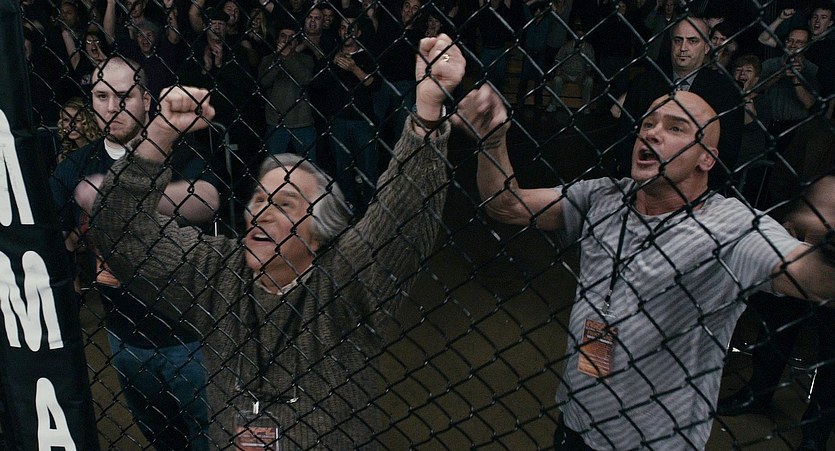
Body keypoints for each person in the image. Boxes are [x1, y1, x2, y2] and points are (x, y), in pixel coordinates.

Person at [90, 34, 484, 449]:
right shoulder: (218, 271)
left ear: (319, 233)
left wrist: (426, 114)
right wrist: (158, 137)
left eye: (285, 204)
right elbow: (120, 234)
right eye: (260, 199)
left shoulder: (344, 279)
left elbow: (400, 218)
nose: (262, 212)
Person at [472, 85, 835, 449]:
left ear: (706, 158)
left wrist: (829, 241)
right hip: (575, 424)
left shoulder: (732, 227)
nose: (652, 133)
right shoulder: (604, 196)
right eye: (648, 123)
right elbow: (506, 205)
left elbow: (814, 280)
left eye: (676, 127)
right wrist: (493, 140)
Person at [50, 56, 219, 451]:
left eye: (123, 97)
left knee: (209, 436)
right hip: (123, 333)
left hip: (187, 330)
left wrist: (115, 196)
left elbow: (207, 198)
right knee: (161, 437)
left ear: (145, 99)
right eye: (101, 96)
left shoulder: (174, 148)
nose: (112, 107)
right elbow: (52, 233)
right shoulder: (77, 165)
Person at [615, 16, 743, 191]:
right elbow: (625, 139)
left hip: (696, 190)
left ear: (707, 47)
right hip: (642, 185)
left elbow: (727, 152)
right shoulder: (644, 84)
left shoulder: (726, 92)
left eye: (692, 41)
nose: (683, 48)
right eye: (678, 40)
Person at [258, 22, 316, 158]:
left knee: (308, 165)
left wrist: (288, 57)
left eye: (291, 37)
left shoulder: (306, 59)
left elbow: (305, 79)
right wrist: (280, 58)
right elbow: (265, 81)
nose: (286, 40)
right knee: (273, 165)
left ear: (297, 42)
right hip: (276, 122)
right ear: (277, 40)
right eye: (283, 36)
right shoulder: (267, 59)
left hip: (302, 122)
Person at [546, 19, 594, 114]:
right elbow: (557, 60)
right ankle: (553, 104)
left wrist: (585, 73)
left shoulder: (588, 48)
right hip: (566, 74)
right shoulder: (567, 45)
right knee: (557, 80)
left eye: (581, 35)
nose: (579, 37)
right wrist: (558, 70)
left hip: (580, 75)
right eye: (577, 35)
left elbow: (591, 65)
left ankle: (585, 106)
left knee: (589, 81)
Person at [56, 97, 103, 162]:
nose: (71, 125)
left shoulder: (100, 149)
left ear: (88, 122)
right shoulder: (64, 155)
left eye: (77, 120)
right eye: (66, 120)